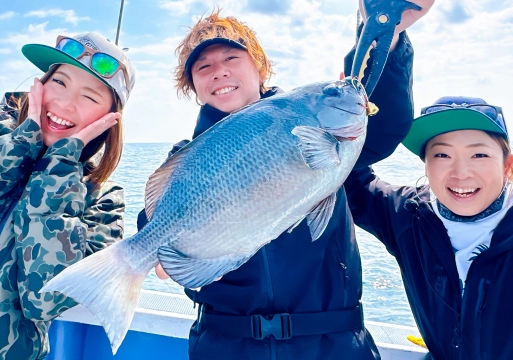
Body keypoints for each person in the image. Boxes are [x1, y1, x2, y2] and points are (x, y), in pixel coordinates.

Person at [135, 4, 432, 359]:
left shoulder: (315, 123)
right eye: (203, 67)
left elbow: (383, 123)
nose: (219, 71)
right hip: (227, 345)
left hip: (332, 344)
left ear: (259, 68)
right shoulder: (185, 160)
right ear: (193, 87)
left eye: (232, 57)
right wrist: (171, 258)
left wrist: (386, 35)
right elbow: (158, 225)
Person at [0, 32, 135, 359]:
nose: (65, 104)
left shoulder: (103, 200)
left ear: (110, 119)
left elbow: (44, 301)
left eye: (90, 96)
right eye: (60, 82)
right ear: (40, 83)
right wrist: (15, 150)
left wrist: (59, 174)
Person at [345, 96, 513, 359]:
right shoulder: (407, 215)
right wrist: (353, 116)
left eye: (479, 154)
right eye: (442, 154)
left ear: (507, 164)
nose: (461, 172)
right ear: (426, 165)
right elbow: (348, 179)